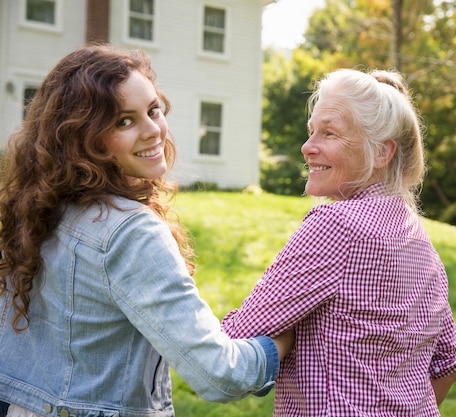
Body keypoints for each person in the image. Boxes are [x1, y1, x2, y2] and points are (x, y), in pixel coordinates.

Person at [0, 45, 292, 417]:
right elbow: (218, 373)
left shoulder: (37, 207)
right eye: (124, 121)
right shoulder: (129, 233)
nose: (153, 130)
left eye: (153, 110)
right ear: (81, 138)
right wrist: (281, 342)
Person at [222, 68, 456, 416]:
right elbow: (450, 363)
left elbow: (237, 335)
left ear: (382, 152)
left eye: (329, 133)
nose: (308, 147)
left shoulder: (335, 225)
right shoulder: (419, 239)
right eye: (311, 132)